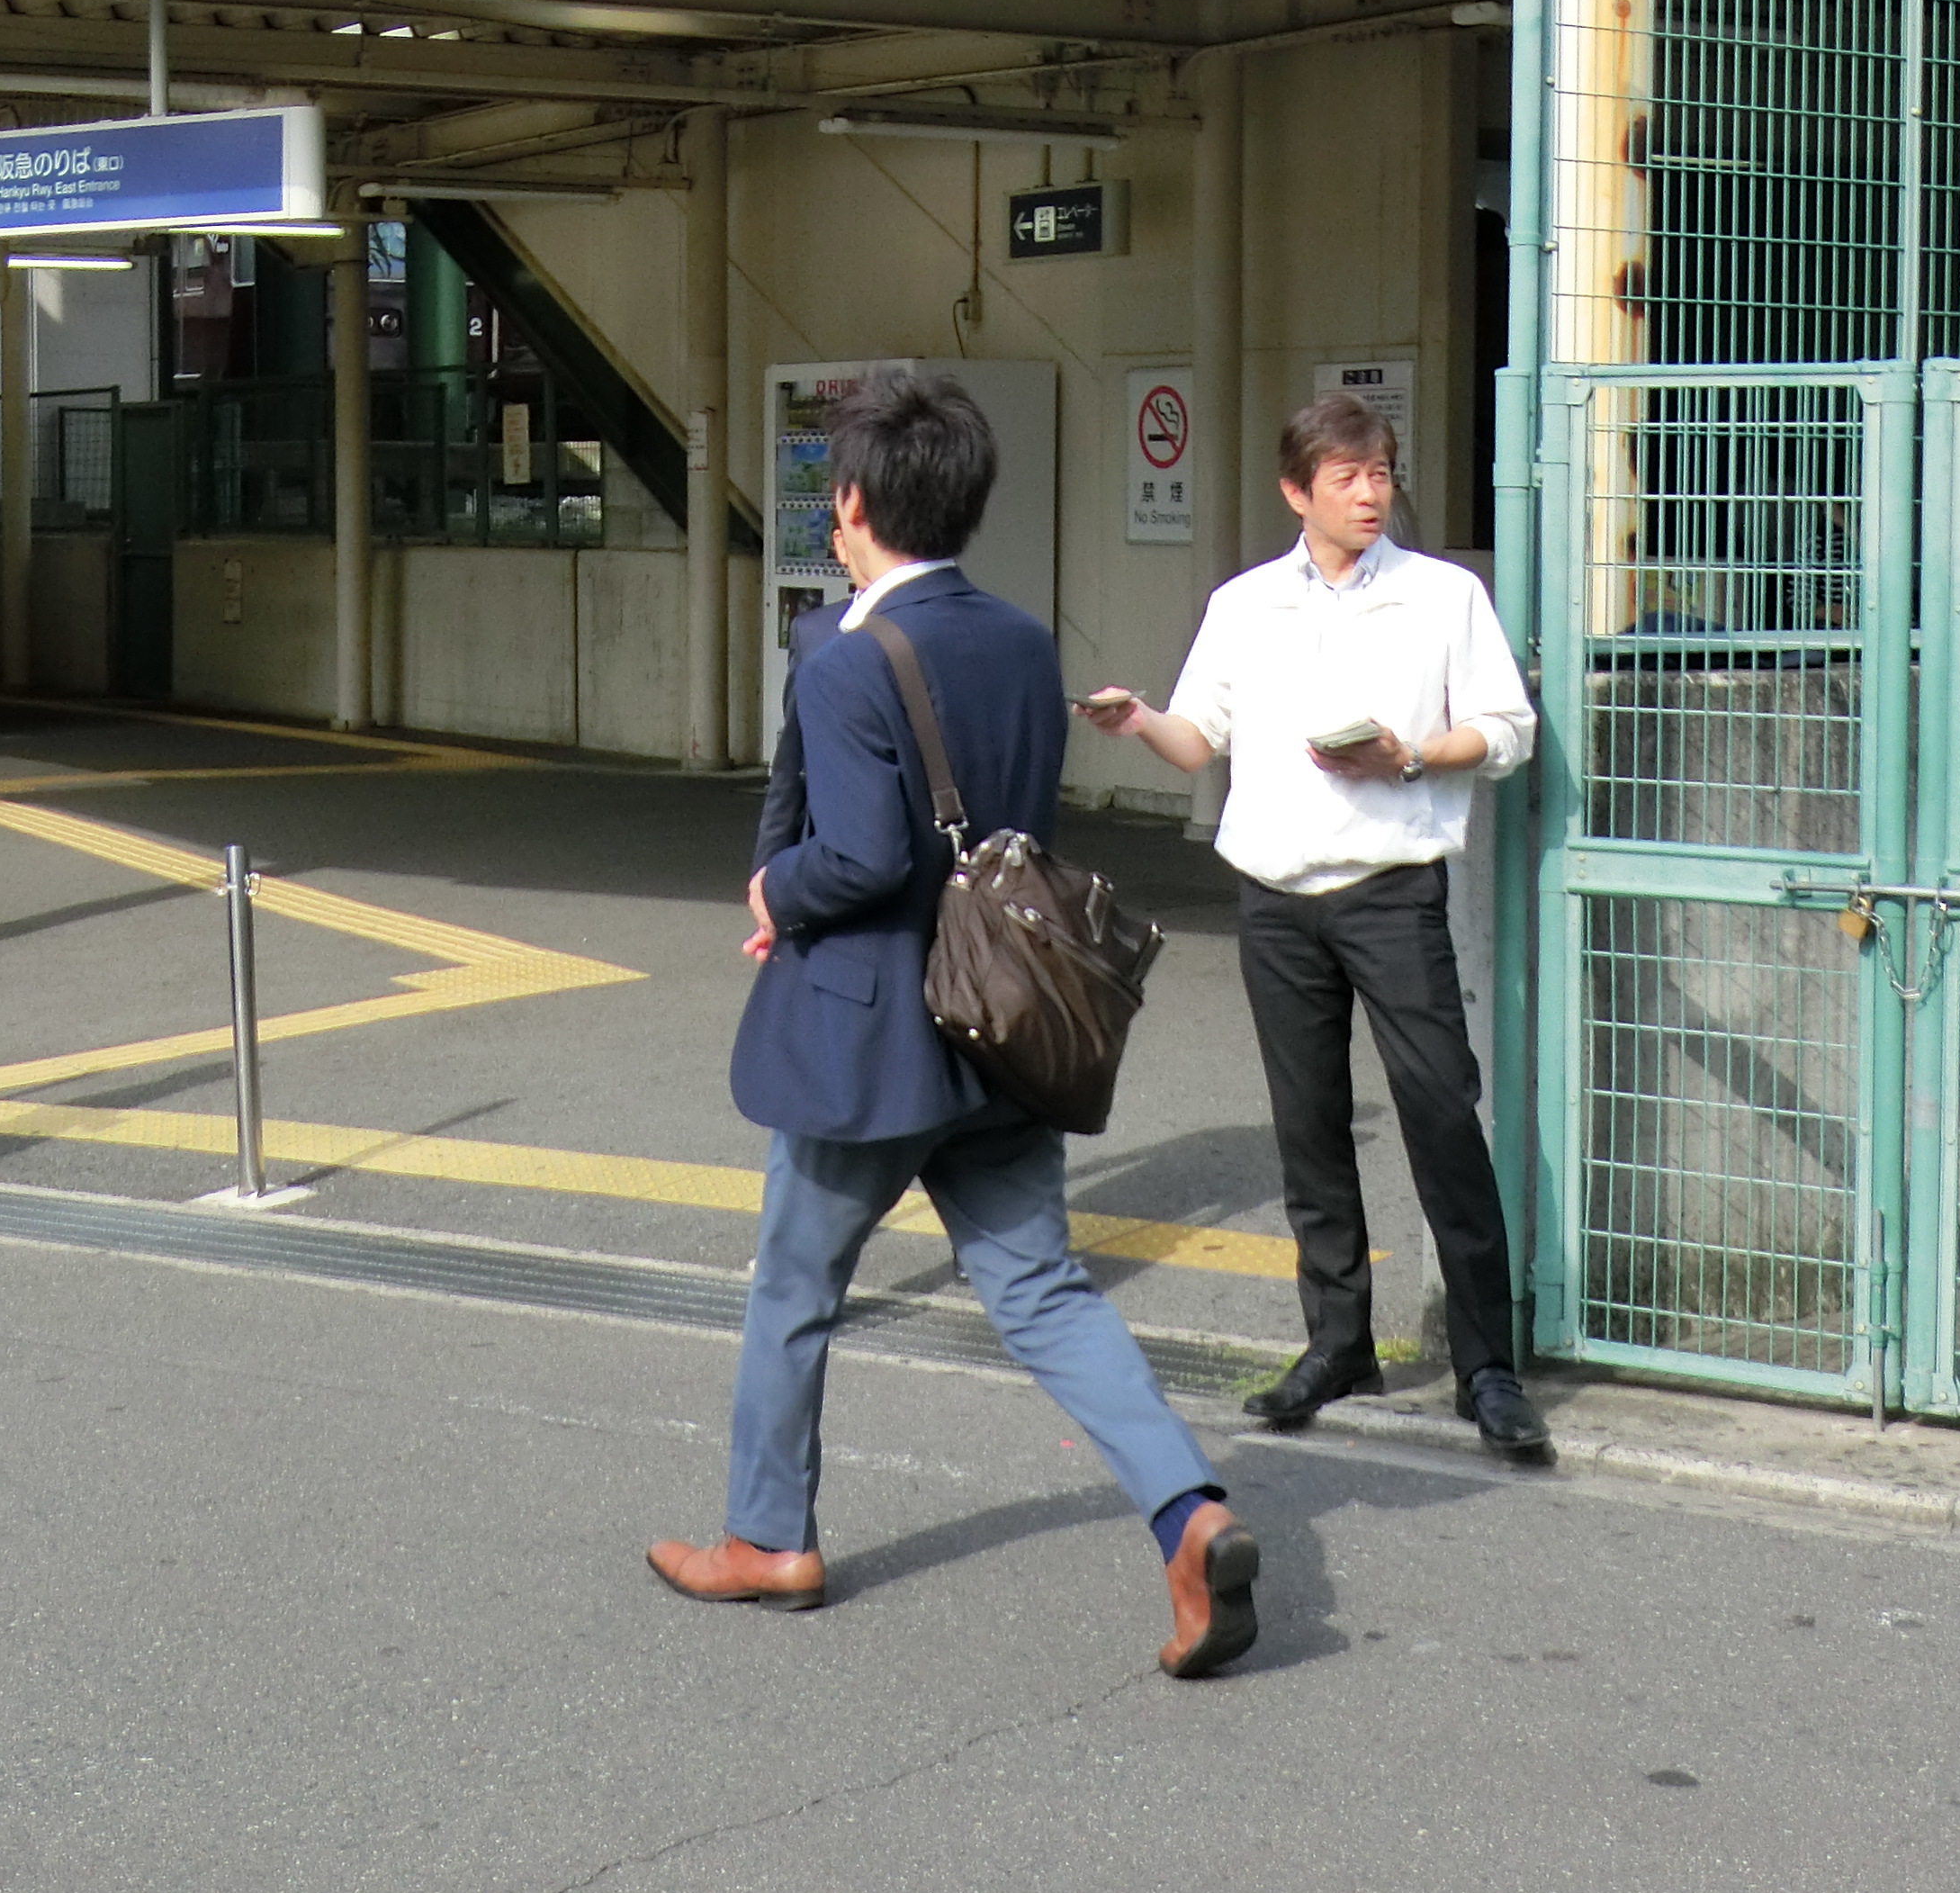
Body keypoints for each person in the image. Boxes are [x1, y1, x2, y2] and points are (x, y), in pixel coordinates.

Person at [652, 371, 1262, 1677]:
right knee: (1040, 1288)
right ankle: (1187, 1512)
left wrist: (778, 888)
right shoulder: (1023, 643)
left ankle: (768, 1538)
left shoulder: (847, 656)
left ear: (853, 503)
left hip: (870, 1034)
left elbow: (862, 855)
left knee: (794, 1285)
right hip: (1004, 1017)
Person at [1083, 392, 1551, 1463]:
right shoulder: (1247, 604)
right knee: (1310, 1126)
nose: (1371, 492)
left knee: (1441, 1115)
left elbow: (1511, 730)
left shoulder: (1443, 596)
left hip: (1391, 889)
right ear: (1298, 492)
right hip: (1275, 897)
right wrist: (1138, 721)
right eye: (1347, 477)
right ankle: (1337, 1343)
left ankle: (1488, 1366)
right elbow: (1199, 741)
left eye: (1381, 472)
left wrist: (1410, 755)